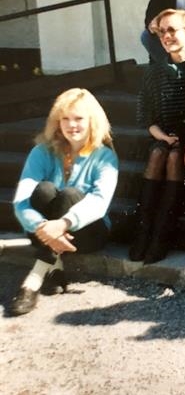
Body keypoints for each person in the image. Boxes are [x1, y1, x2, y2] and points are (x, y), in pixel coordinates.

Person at [10, 88, 118, 316]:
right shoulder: (41, 152)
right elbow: (22, 200)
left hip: (88, 233)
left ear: (92, 121)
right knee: (44, 190)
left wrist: (62, 224)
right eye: (65, 119)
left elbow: (99, 202)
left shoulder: (105, 156)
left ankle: (34, 279)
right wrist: (42, 227)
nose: (72, 125)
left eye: (79, 118)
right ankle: (55, 267)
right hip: (45, 231)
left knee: (69, 194)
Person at [129, 9, 185, 263]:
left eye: (173, 30)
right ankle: (143, 232)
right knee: (158, 152)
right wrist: (165, 138)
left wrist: (182, 140)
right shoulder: (155, 72)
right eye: (162, 32)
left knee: (173, 156)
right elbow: (147, 117)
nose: (167, 36)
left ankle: (161, 237)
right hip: (164, 137)